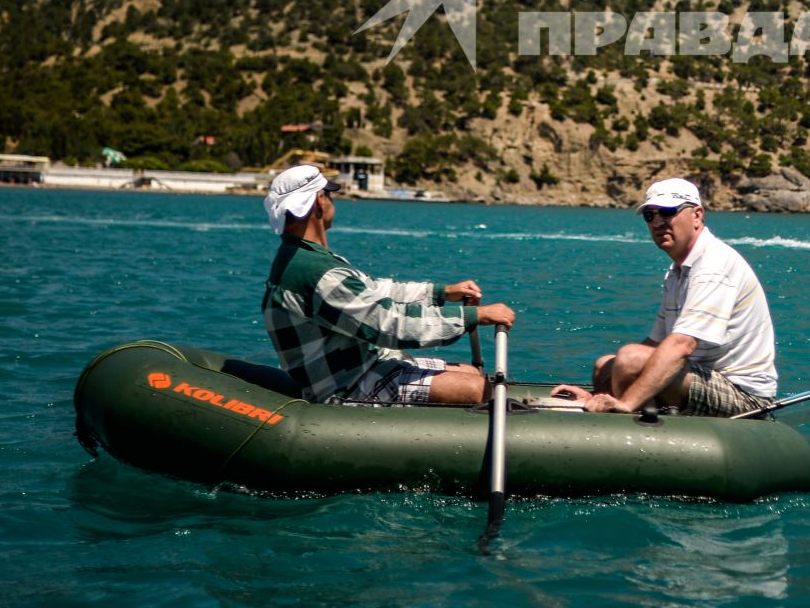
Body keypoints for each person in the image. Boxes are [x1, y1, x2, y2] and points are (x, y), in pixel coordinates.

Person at [261, 163, 514, 405]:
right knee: (473, 389)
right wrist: (472, 316)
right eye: (329, 194)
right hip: (350, 386)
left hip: (366, 364)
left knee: (471, 373)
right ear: (319, 199)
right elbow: (389, 325)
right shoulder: (316, 272)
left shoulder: (304, 258)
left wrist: (440, 293)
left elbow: (375, 291)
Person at [551, 176, 777, 417]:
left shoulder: (713, 266)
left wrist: (626, 403)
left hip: (743, 395)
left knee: (629, 359)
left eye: (668, 212)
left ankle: (625, 417)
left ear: (697, 215)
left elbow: (681, 345)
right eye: (651, 215)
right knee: (605, 364)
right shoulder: (678, 271)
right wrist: (600, 393)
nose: (658, 222)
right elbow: (656, 344)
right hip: (700, 375)